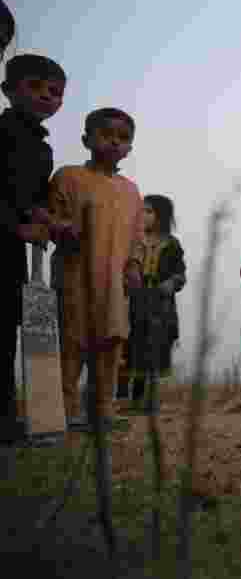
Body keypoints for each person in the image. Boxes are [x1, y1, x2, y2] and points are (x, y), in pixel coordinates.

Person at [48, 107, 145, 429]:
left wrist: (134, 265)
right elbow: (50, 218)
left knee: (112, 341)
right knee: (72, 341)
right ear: (86, 139)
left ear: (130, 147)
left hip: (115, 281)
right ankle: (64, 410)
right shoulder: (68, 176)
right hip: (75, 275)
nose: (115, 143)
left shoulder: (130, 190)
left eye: (123, 138)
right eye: (107, 135)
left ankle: (104, 409)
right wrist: (62, 227)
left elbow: (136, 235)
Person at [0, 53, 64, 444]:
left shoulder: (42, 149)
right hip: (8, 237)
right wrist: (18, 226)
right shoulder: (2, 134)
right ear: (8, 90)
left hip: (14, 256)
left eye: (55, 92)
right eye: (35, 87)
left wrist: (48, 220)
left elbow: (32, 198)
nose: (47, 97)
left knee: (10, 330)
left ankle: (8, 421)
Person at [118, 194, 186, 411]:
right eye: (141, 211)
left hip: (160, 304)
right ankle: (131, 399)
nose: (143, 215)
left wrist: (172, 282)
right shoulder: (132, 241)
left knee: (155, 350)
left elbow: (181, 274)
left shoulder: (172, 244)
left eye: (149, 211)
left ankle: (151, 401)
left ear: (162, 216)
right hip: (134, 301)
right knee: (132, 347)